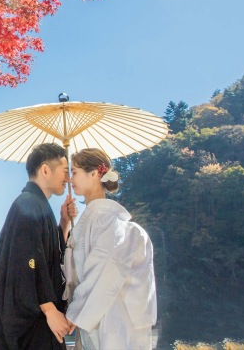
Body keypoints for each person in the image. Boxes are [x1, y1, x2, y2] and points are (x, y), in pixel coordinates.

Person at [0, 142, 78, 349]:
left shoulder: (35, 203)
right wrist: (50, 310)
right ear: (45, 170)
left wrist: (64, 223)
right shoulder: (28, 204)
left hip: (39, 316)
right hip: (33, 320)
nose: (68, 178)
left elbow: (43, 254)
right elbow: (23, 262)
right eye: (64, 171)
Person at [65, 148, 158, 350]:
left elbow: (104, 270)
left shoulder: (103, 219)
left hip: (109, 314)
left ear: (94, 174)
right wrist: (67, 223)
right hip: (102, 312)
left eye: (74, 172)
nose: (70, 179)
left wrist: (76, 312)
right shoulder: (99, 218)